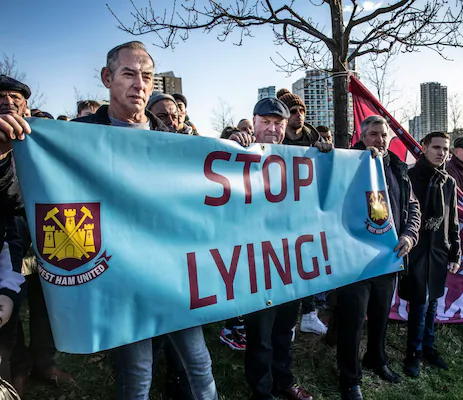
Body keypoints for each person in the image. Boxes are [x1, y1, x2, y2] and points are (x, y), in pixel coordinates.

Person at [73, 41, 218, 400]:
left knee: (199, 363)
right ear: (107, 78)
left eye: (148, 76)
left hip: (174, 274)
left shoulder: (172, 140)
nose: (140, 84)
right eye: (129, 74)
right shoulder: (75, 137)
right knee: (138, 373)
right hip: (122, 278)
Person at [228, 97, 331, 400]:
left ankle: (283, 381)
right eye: (266, 122)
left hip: (289, 261)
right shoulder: (237, 152)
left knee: (284, 330)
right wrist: (231, 142)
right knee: (260, 335)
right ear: (254, 122)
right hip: (255, 261)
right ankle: (261, 391)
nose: (272, 129)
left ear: (286, 127)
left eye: (278, 124)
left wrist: (325, 154)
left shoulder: (298, 156)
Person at [336, 115, 420, 400]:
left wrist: (409, 235)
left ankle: (376, 358)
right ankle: (350, 378)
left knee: (381, 316)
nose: (380, 140)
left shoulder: (397, 167)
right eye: (373, 134)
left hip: (388, 258)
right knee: (353, 320)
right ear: (362, 136)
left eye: (383, 135)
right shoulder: (348, 163)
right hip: (355, 260)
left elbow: (413, 207)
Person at [0, 75, 74, 397]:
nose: (8, 102)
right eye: (0, 97)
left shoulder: (43, 136)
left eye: (15, 97)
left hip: (48, 232)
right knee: (8, 303)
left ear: (26, 105)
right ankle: (16, 368)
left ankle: (45, 362)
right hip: (8, 240)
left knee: (46, 298)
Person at [399, 132, 460, 378]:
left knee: (433, 301)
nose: (441, 153)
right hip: (416, 249)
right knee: (419, 302)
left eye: (445, 149)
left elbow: (452, 219)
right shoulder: (409, 176)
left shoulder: (448, 181)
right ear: (423, 147)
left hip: (439, 250)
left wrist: (455, 251)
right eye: (436, 147)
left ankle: (428, 347)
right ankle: (412, 354)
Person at [276, 88, 327, 335]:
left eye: (302, 110)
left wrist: (327, 153)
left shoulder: (315, 142)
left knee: (306, 264)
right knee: (282, 266)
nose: (299, 115)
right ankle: (286, 319)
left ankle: (308, 314)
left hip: (307, 215)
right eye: (293, 111)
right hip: (279, 216)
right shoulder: (272, 142)